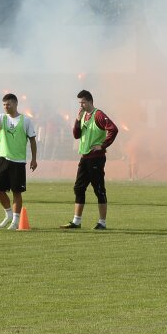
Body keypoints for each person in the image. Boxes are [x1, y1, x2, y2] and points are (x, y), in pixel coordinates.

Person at [62, 90, 118, 230]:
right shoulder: (83, 115)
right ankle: (76, 222)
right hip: (85, 157)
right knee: (78, 188)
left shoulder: (98, 114)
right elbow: (76, 135)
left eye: (83, 103)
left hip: (96, 158)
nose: (81, 105)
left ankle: (102, 223)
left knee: (99, 189)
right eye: (79, 103)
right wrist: (77, 119)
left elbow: (113, 129)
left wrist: (103, 145)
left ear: (90, 101)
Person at [0, 93, 39, 229]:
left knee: (16, 192)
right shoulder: (2, 117)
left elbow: (32, 140)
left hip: (18, 161)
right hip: (3, 159)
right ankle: (8, 214)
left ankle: (15, 220)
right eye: (4, 105)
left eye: (8, 104)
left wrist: (34, 159)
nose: (6, 107)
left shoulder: (26, 121)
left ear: (15, 104)